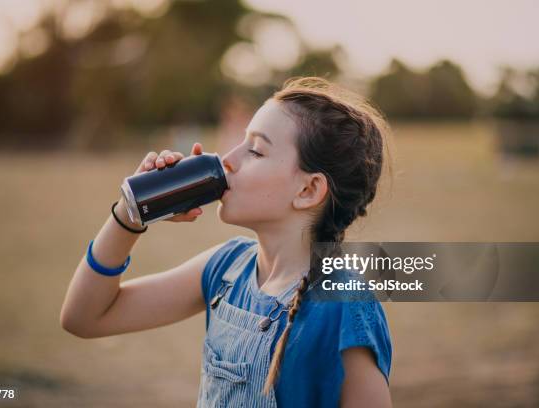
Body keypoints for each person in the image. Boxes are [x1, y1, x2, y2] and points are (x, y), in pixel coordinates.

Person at [60, 77, 393, 407]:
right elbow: (85, 318)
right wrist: (130, 214)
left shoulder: (345, 310)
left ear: (307, 191)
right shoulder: (226, 267)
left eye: (255, 150)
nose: (227, 159)